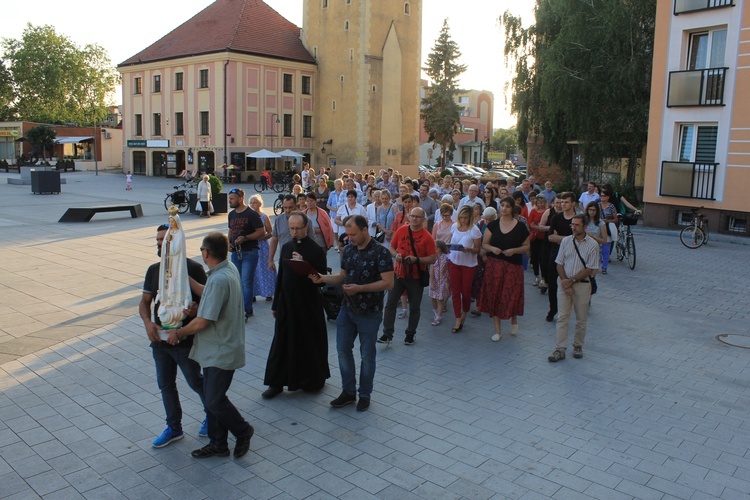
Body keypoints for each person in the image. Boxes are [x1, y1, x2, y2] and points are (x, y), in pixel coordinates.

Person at [167, 232, 255, 459]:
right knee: (211, 397)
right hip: (219, 347)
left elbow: (203, 321)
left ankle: (243, 431)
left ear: (206, 253)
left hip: (220, 349)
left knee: (214, 400)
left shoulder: (218, 279)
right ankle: (218, 443)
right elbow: (210, 296)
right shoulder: (228, 269)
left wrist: (179, 332)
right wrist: (186, 280)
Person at [310, 215, 394, 411]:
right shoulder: (348, 250)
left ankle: (364, 393)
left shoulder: (380, 253)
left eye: (353, 234)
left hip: (369, 313)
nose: (350, 238)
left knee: (367, 355)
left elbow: (389, 283)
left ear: (365, 230)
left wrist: (360, 289)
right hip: (346, 311)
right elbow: (342, 276)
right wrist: (322, 278)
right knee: (342, 351)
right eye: (347, 234)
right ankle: (348, 391)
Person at [139, 223, 208, 448]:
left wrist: (195, 310)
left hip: (184, 340)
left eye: (164, 240)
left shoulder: (194, 269)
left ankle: (213, 414)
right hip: (160, 341)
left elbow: (208, 303)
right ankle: (174, 427)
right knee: (165, 384)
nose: (160, 244)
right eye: (158, 240)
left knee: (195, 381)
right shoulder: (153, 270)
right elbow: (145, 302)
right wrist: (148, 323)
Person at [263, 212, 329, 399]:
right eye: (291, 228)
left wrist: (305, 265)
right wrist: (276, 303)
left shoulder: (316, 250)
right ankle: (276, 383)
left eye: (297, 228)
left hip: (308, 305)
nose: (294, 232)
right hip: (287, 303)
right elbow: (281, 276)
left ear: (305, 227)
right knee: (281, 343)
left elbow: (322, 279)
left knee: (308, 342)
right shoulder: (286, 247)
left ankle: (311, 380)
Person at [379, 207, 437, 345]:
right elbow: (392, 247)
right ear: (409, 217)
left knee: (415, 307)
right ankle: (387, 334)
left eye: (418, 217)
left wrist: (417, 259)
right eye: (412, 216)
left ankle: (410, 334)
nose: (414, 219)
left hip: (415, 278)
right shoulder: (401, 230)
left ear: (423, 219)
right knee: (390, 304)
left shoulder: (427, 237)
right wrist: (396, 255)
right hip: (398, 274)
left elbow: (433, 258)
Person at [548, 215, 599, 362]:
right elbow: (559, 263)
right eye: (572, 225)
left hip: (582, 285)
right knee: (562, 317)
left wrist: (572, 280)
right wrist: (565, 281)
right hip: (564, 283)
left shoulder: (592, 245)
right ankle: (560, 349)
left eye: (577, 225)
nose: (574, 227)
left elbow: (590, 268)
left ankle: (578, 345)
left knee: (581, 318)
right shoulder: (566, 241)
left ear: (585, 227)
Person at [479, 197, 530, 341]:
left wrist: (514, 250)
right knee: (495, 294)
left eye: (507, 206)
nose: (504, 208)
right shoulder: (493, 225)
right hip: (495, 265)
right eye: (502, 205)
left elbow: (526, 246)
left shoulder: (520, 226)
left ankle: (514, 319)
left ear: (512, 208)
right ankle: (497, 330)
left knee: (511, 294)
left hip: (513, 265)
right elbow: (485, 244)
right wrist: (492, 248)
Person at [227, 188, 265, 322]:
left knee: (245, 282)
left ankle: (246, 310)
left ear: (240, 198)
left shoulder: (252, 214)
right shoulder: (231, 214)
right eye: (229, 198)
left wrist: (246, 238)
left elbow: (261, 232)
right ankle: (239, 308)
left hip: (250, 252)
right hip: (236, 253)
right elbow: (231, 230)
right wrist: (229, 243)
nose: (229, 201)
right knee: (237, 282)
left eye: (232, 198)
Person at [447, 205, 482, 333]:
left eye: (465, 218)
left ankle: (465, 312)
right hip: (454, 261)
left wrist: (470, 249)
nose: (462, 220)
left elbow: (478, 249)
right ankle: (457, 318)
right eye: (461, 217)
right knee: (455, 292)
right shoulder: (454, 227)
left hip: (468, 264)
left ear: (470, 218)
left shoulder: (474, 230)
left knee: (466, 292)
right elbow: (451, 241)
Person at [546, 192, 577, 322]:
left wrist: (559, 238)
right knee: (552, 284)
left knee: (570, 283)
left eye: (566, 202)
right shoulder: (556, 218)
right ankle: (553, 309)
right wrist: (567, 238)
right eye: (562, 202)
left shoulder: (578, 219)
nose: (563, 205)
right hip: (556, 253)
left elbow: (578, 239)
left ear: (573, 204)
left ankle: (567, 310)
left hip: (572, 256)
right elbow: (550, 237)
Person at [248, 195, 276, 301]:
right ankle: (253, 293)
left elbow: (271, 232)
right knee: (252, 269)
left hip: (262, 246)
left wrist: (262, 238)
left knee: (265, 268)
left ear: (260, 204)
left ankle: (268, 292)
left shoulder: (264, 216)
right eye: (251, 202)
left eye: (254, 202)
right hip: (251, 245)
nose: (252, 204)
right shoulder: (248, 217)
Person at [268, 195, 296, 271]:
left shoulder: (305, 220)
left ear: (295, 206)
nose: (287, 210)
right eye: (285, 208)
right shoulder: (278, 220)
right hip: (284, 258)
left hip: (300, 259)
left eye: (290, 207)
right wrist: (270, 260)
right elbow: (274, 240)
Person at [528, 195, 548, 286]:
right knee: (534, 257)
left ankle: (544, 277)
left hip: (544, 237)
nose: (540, 205)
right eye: (538, 203)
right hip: (535, 237)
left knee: (542, 258)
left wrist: (540, 226)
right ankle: (537, 276)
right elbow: (530, 223)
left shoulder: (547, 211)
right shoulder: (533, 211)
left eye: (542, 203)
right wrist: (537, 227)